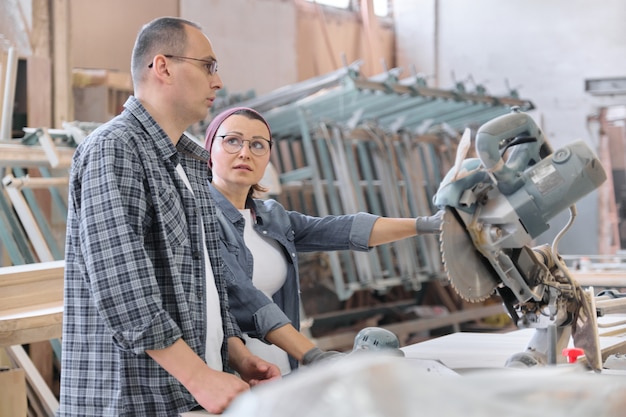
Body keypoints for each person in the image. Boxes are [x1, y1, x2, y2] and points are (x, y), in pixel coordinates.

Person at [58, 18, 280, 416]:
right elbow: (123, 288)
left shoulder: (189, 163)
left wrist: (234, 351)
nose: (218, 81)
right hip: (134, 399)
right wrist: (199, 377)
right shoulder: (116, 149)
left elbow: (202, 284)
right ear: (162, 67)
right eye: (208, 66)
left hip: (189, 395)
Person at [204, 106, 443, 375]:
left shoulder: (272, 217)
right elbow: (247, 299)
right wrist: (315, 356)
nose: (244, 152)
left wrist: (429, 225)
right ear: (209, 148)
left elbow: (341, 229)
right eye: (232, 141)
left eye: (257, 144)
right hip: (234, 372)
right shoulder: (202, 220)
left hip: (284, 365)